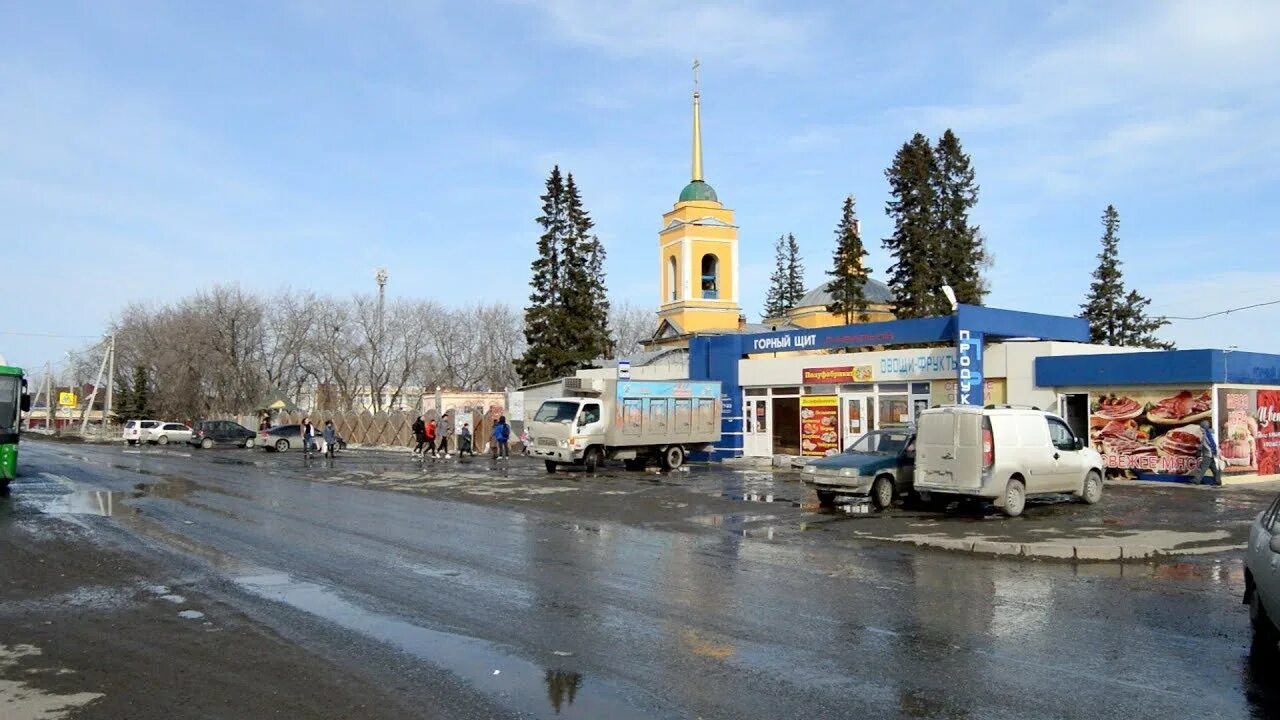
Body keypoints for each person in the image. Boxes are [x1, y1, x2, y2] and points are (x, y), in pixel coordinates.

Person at [1193, 419, 1221, 486]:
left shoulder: (1206, 435)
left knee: (1202, 468)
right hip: (1210, 454)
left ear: (1203, 428)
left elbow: (1211, 444)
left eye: (1201, 427)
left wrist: (1199, 451)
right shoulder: (1209, 433)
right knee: (1214, 469)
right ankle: (1218, 481)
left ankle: (1196, 480)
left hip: (1208, 454)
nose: (1200, 428)